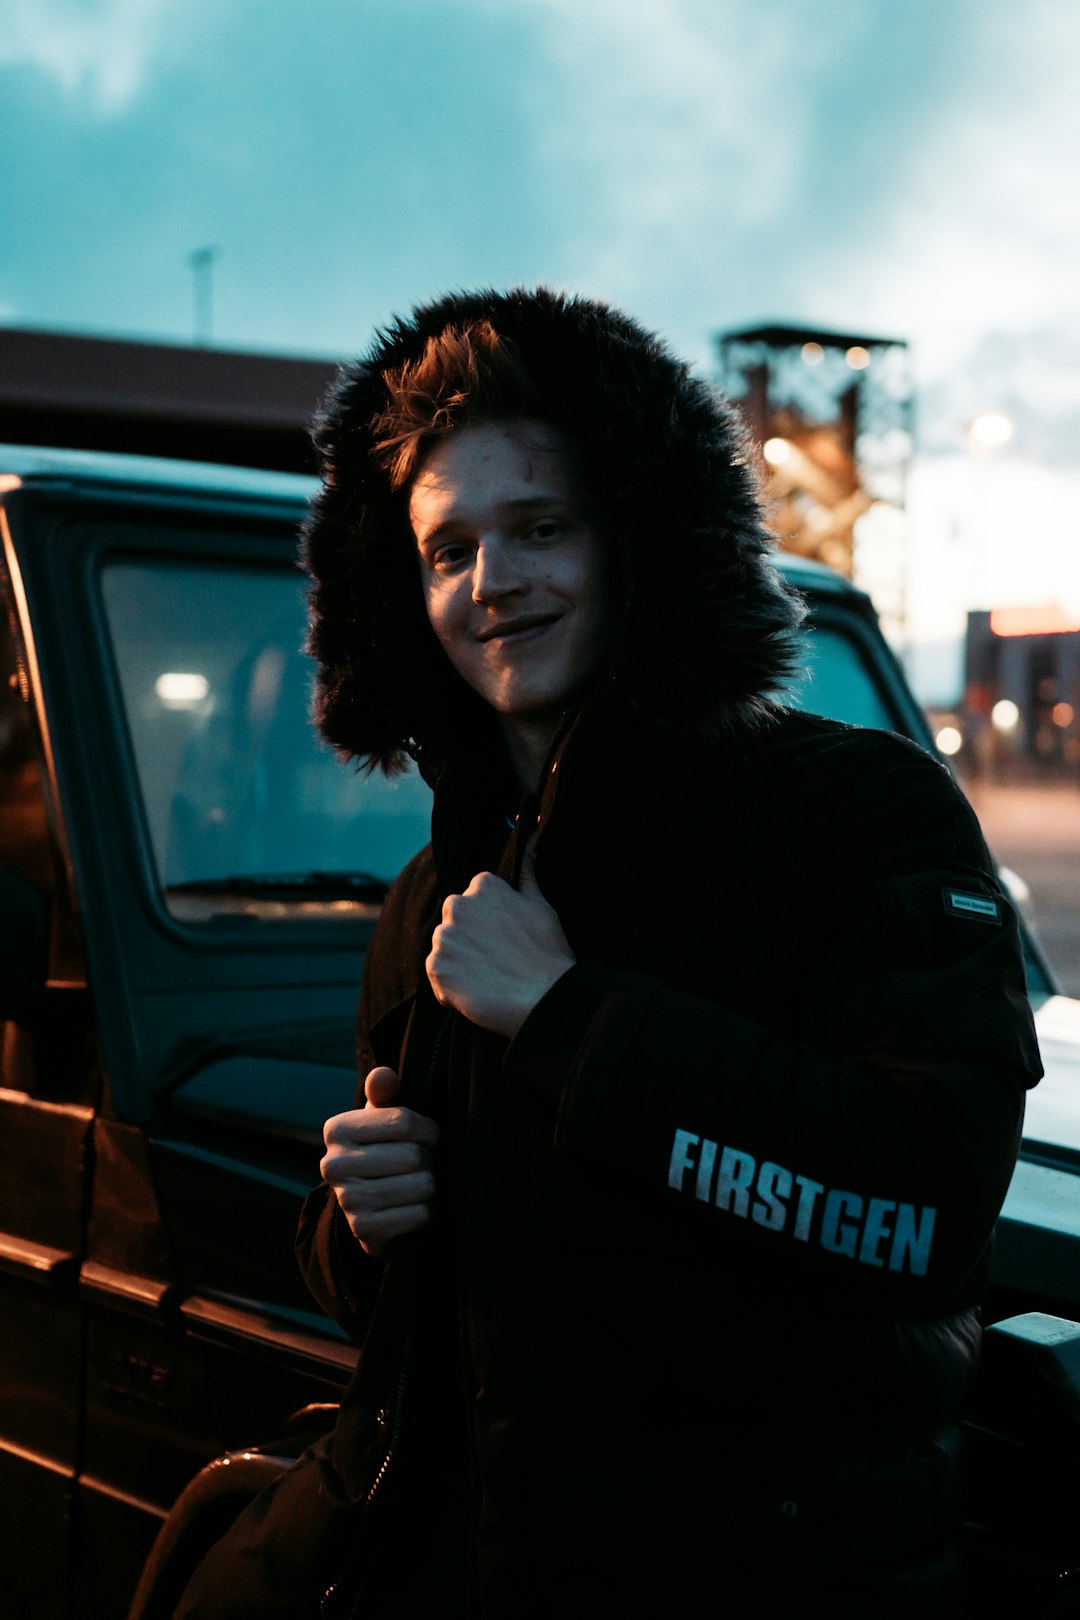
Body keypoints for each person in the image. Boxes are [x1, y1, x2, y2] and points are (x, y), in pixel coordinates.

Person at [178, 287, 1041, 1617]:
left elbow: (917, 1213)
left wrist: (572, 1015)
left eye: (540, 527)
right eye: (446, 548)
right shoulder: (432, 893)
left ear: (638, 539)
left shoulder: (856, 816)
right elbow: (406, 1322)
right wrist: (358, 1220)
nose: (491, 583)